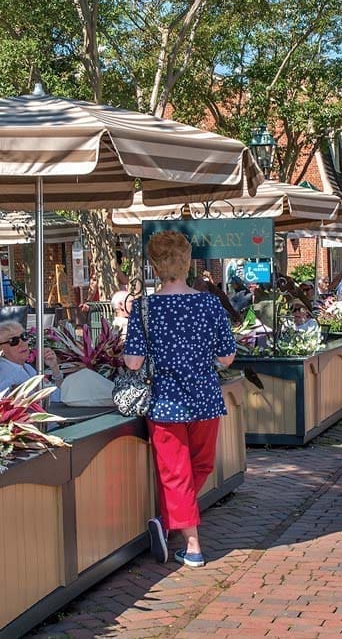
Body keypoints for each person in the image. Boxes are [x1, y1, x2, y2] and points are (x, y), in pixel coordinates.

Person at [124, 231, 237, 568]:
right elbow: (227, 357)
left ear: (154, 266)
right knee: (200, 466)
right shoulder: (209, 304)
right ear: (187, 263)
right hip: (205, 397)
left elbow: (133, 362)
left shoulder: (144, 307)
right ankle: (187, 539)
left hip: (165, 401)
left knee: (175, 473)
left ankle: (182, 536)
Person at [0, 320, 63, 402]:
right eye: (13, 341)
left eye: (24, 337)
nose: (22, 343)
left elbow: (59, 395)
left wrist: (54, 367)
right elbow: (4, 403)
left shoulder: (26, 367)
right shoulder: (2, 370)